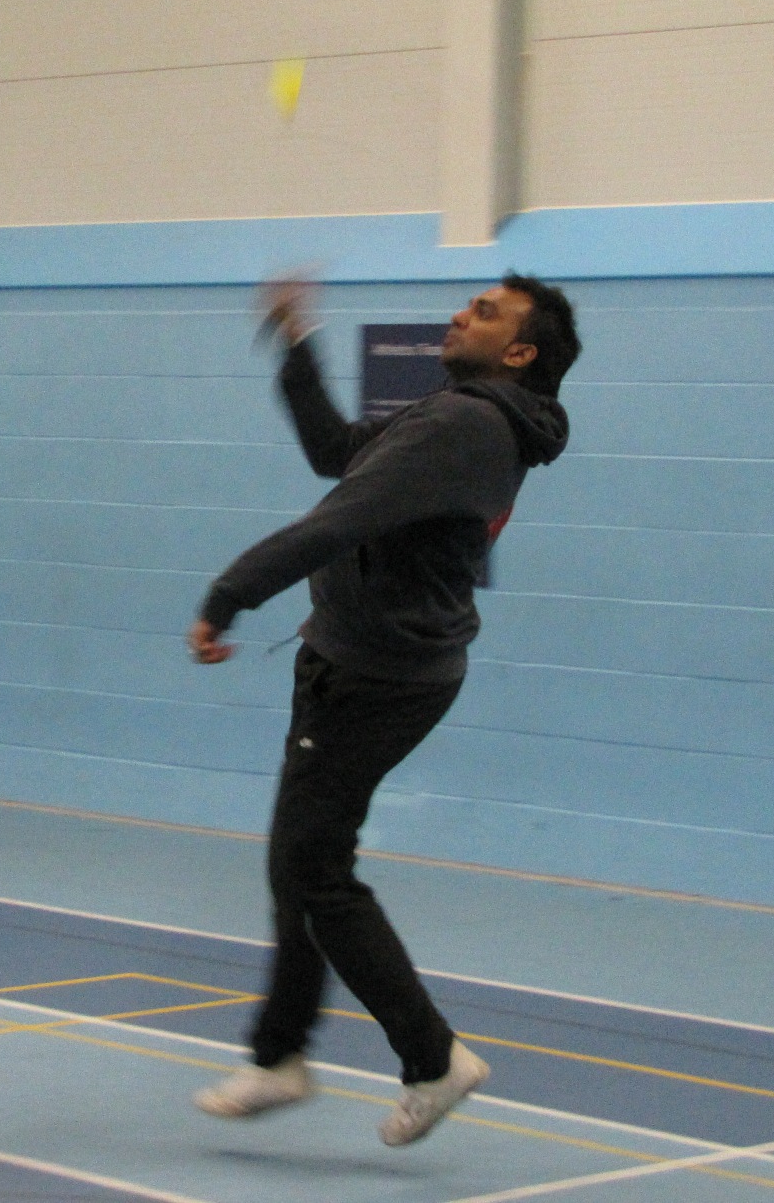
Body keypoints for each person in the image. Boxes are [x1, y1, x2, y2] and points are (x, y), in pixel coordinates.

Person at [187, 272, 578, 1146]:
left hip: (378, 678)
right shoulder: (454, 413)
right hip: (354, 661)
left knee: (314, 870)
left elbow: (341, 515)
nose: (459, 314)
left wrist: (229, 593)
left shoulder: (466, 424)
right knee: (301, 859)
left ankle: (433, 1060)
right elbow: (338, 453)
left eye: (484, 313)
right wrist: (297, 346)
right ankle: (279, 1056)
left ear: (519, 351)